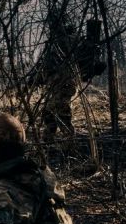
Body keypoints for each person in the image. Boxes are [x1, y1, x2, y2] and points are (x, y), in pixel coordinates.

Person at [37, 10, 105, 142]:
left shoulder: (70, 40)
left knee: (61, 112)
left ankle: (68, 141)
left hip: (64, 82)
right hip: (54, 82)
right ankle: (48, 139)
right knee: (49, 111)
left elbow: (81, 59)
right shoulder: (56, 41)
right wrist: (39, 78)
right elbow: (47, 64)